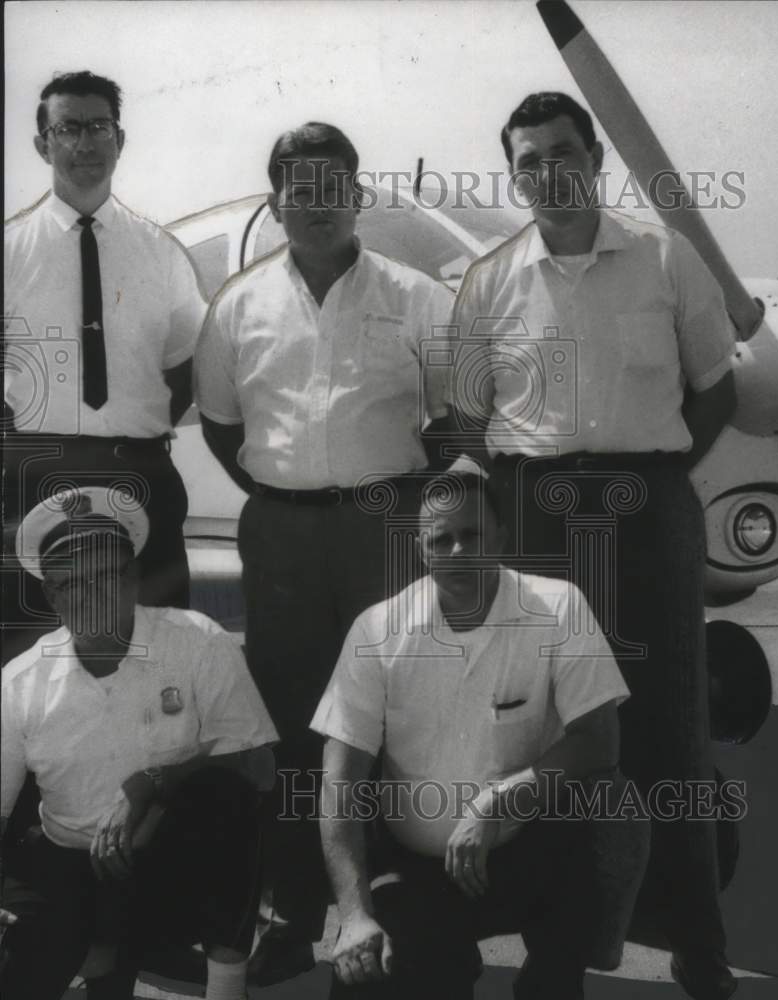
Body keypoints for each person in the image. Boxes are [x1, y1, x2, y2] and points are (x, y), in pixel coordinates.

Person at [447, 93, 739, 999]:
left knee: (668, 728)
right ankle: (556, 941)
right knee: (541, 726)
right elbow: (464, 416)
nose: (548, 174)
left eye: (562, 153)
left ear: (595, 155)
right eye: (528, 162)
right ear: (513, 173)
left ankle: (695, 937)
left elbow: (713, 389)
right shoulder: (489, 278)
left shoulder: (665, 258)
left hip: (645, 510)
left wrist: (647, 476)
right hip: (531, 512)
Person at [194, 122, 455, 982]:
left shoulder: (418, 297)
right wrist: (294, 491)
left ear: (357, 194)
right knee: (294, 719)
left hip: (388, 527)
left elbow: (457, 418)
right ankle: (289, 907)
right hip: (282, 535)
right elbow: (227, 428)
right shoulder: (237, 305)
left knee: (396, 711)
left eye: (330, 184)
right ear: (276, 203)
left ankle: (396, 903)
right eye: (296, 188)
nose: (314, 203)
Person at [313, 459, 650, 999]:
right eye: (440, 540)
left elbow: (598, 739)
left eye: (471, 535)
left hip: (528, 847)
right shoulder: (377, 630)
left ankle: (558, 970)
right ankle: (445, 959)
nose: (457, 553)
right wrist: (354, 915)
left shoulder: (558, 607)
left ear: (501, 536)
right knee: (367, 976)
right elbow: (340, 781)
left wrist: (496, 804)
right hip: (420, 867)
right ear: (420, 549)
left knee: (612, 804)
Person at [0, 485, 279, 1000]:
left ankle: (225, 987)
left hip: (165, 862)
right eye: (71, 584)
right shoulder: (20, 681)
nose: (90, 596)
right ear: (51, 595)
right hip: (70, 865)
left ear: (134, 578)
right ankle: (101, 954)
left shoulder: (197, 641)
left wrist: (155, 782)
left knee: (228, 798)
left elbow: (258, 764)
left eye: (106, 575)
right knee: (16, 967)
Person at [3, 70, 206, 663]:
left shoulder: (161, 252)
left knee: (160, 648)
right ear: (43, 144)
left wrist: (128, 432)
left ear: (121, 139)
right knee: (28, 656)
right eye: (68, 128)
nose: (85, 143)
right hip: (34, 476)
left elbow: (182, 369)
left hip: (137, 473)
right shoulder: (10, 252)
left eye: (99, 127)